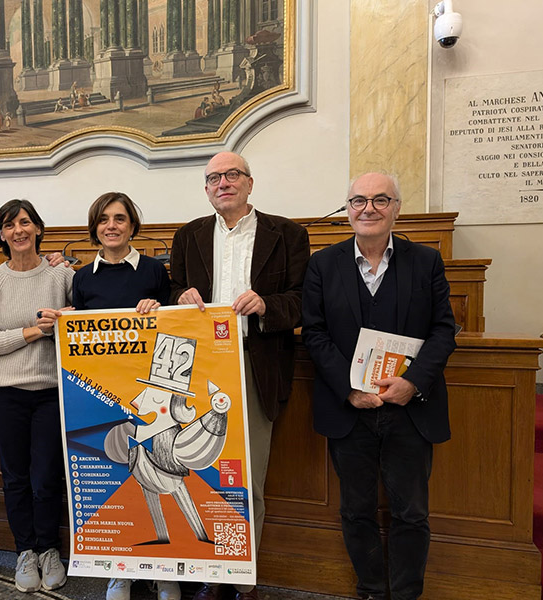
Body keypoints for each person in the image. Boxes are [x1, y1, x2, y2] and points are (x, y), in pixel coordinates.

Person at [301, 172, 456, 600]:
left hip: (410, 409)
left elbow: (444, 330)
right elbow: (314, 333)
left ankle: (406, 594)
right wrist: (349, 389)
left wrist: (413, 382)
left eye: (380, 200)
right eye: (359, 200)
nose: (368, 208)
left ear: (396, 209)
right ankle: (370, 589)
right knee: (356, 510)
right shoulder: (323, 263)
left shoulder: (425, 261)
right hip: (349, 411)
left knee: (412, 512)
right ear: (347, 209)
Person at [169, 151, 310, 600]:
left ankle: (241, 577)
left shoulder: (287, 234)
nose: (223, 183)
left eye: (232, 175)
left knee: (246, 478)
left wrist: (267, 305)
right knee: (201, 474)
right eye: (214, 178)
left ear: (250, 183)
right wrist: (181, 296)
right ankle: (212, 571)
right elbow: (173, 291)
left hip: (255, 365)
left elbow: (303, 299)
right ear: (206, 189)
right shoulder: (188, 235)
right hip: (199, 372)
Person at [71, 192, 175, 600]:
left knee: (158, 474)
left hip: (150, 394)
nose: (111, 226)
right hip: (102, 397)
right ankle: (121, 569)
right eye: (103, 219)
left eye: (119, 218)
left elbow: (174, 327)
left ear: (133, 225)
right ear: (94, 227)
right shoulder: (82, 278)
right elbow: (77, 338)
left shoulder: (154, 271)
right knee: (115, 479)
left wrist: (159, 308)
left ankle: (164, 570)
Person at [0, 199, 72, 594]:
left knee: (46, 476)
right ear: (1, 234)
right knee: (14, 477)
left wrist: (61, 324)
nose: (19, 230)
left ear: (38, 228)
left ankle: (49, 549)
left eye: (26, 222)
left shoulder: (62, 275)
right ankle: (25, 551)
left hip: (50, 390)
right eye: (10, 225)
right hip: (3, 392)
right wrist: (35, 331)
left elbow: (81, 325)